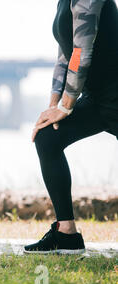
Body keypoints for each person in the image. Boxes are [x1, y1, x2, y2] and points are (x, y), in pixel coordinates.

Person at [25, 0, 117, 254]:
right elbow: (65, 55)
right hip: (97, 98)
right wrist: (53, 107)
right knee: (47, 138)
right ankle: (66, 234)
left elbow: (82, 51)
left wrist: (66, 106)